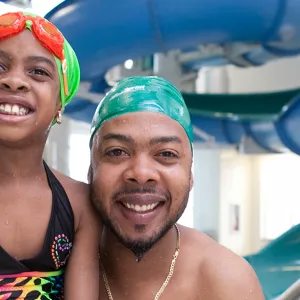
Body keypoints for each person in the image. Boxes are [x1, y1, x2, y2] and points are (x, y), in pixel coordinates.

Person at [89, 76, 265, 300]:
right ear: (90, 171)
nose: (142, 174)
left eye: (166, 154)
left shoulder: (227, 282)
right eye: (117, 152)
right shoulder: (53, 265)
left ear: (190, 175)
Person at [0, 11, 100, 299]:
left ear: (60, 103)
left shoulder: (79, 205)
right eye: (0, 66)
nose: (14, 81)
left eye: (38, 71)